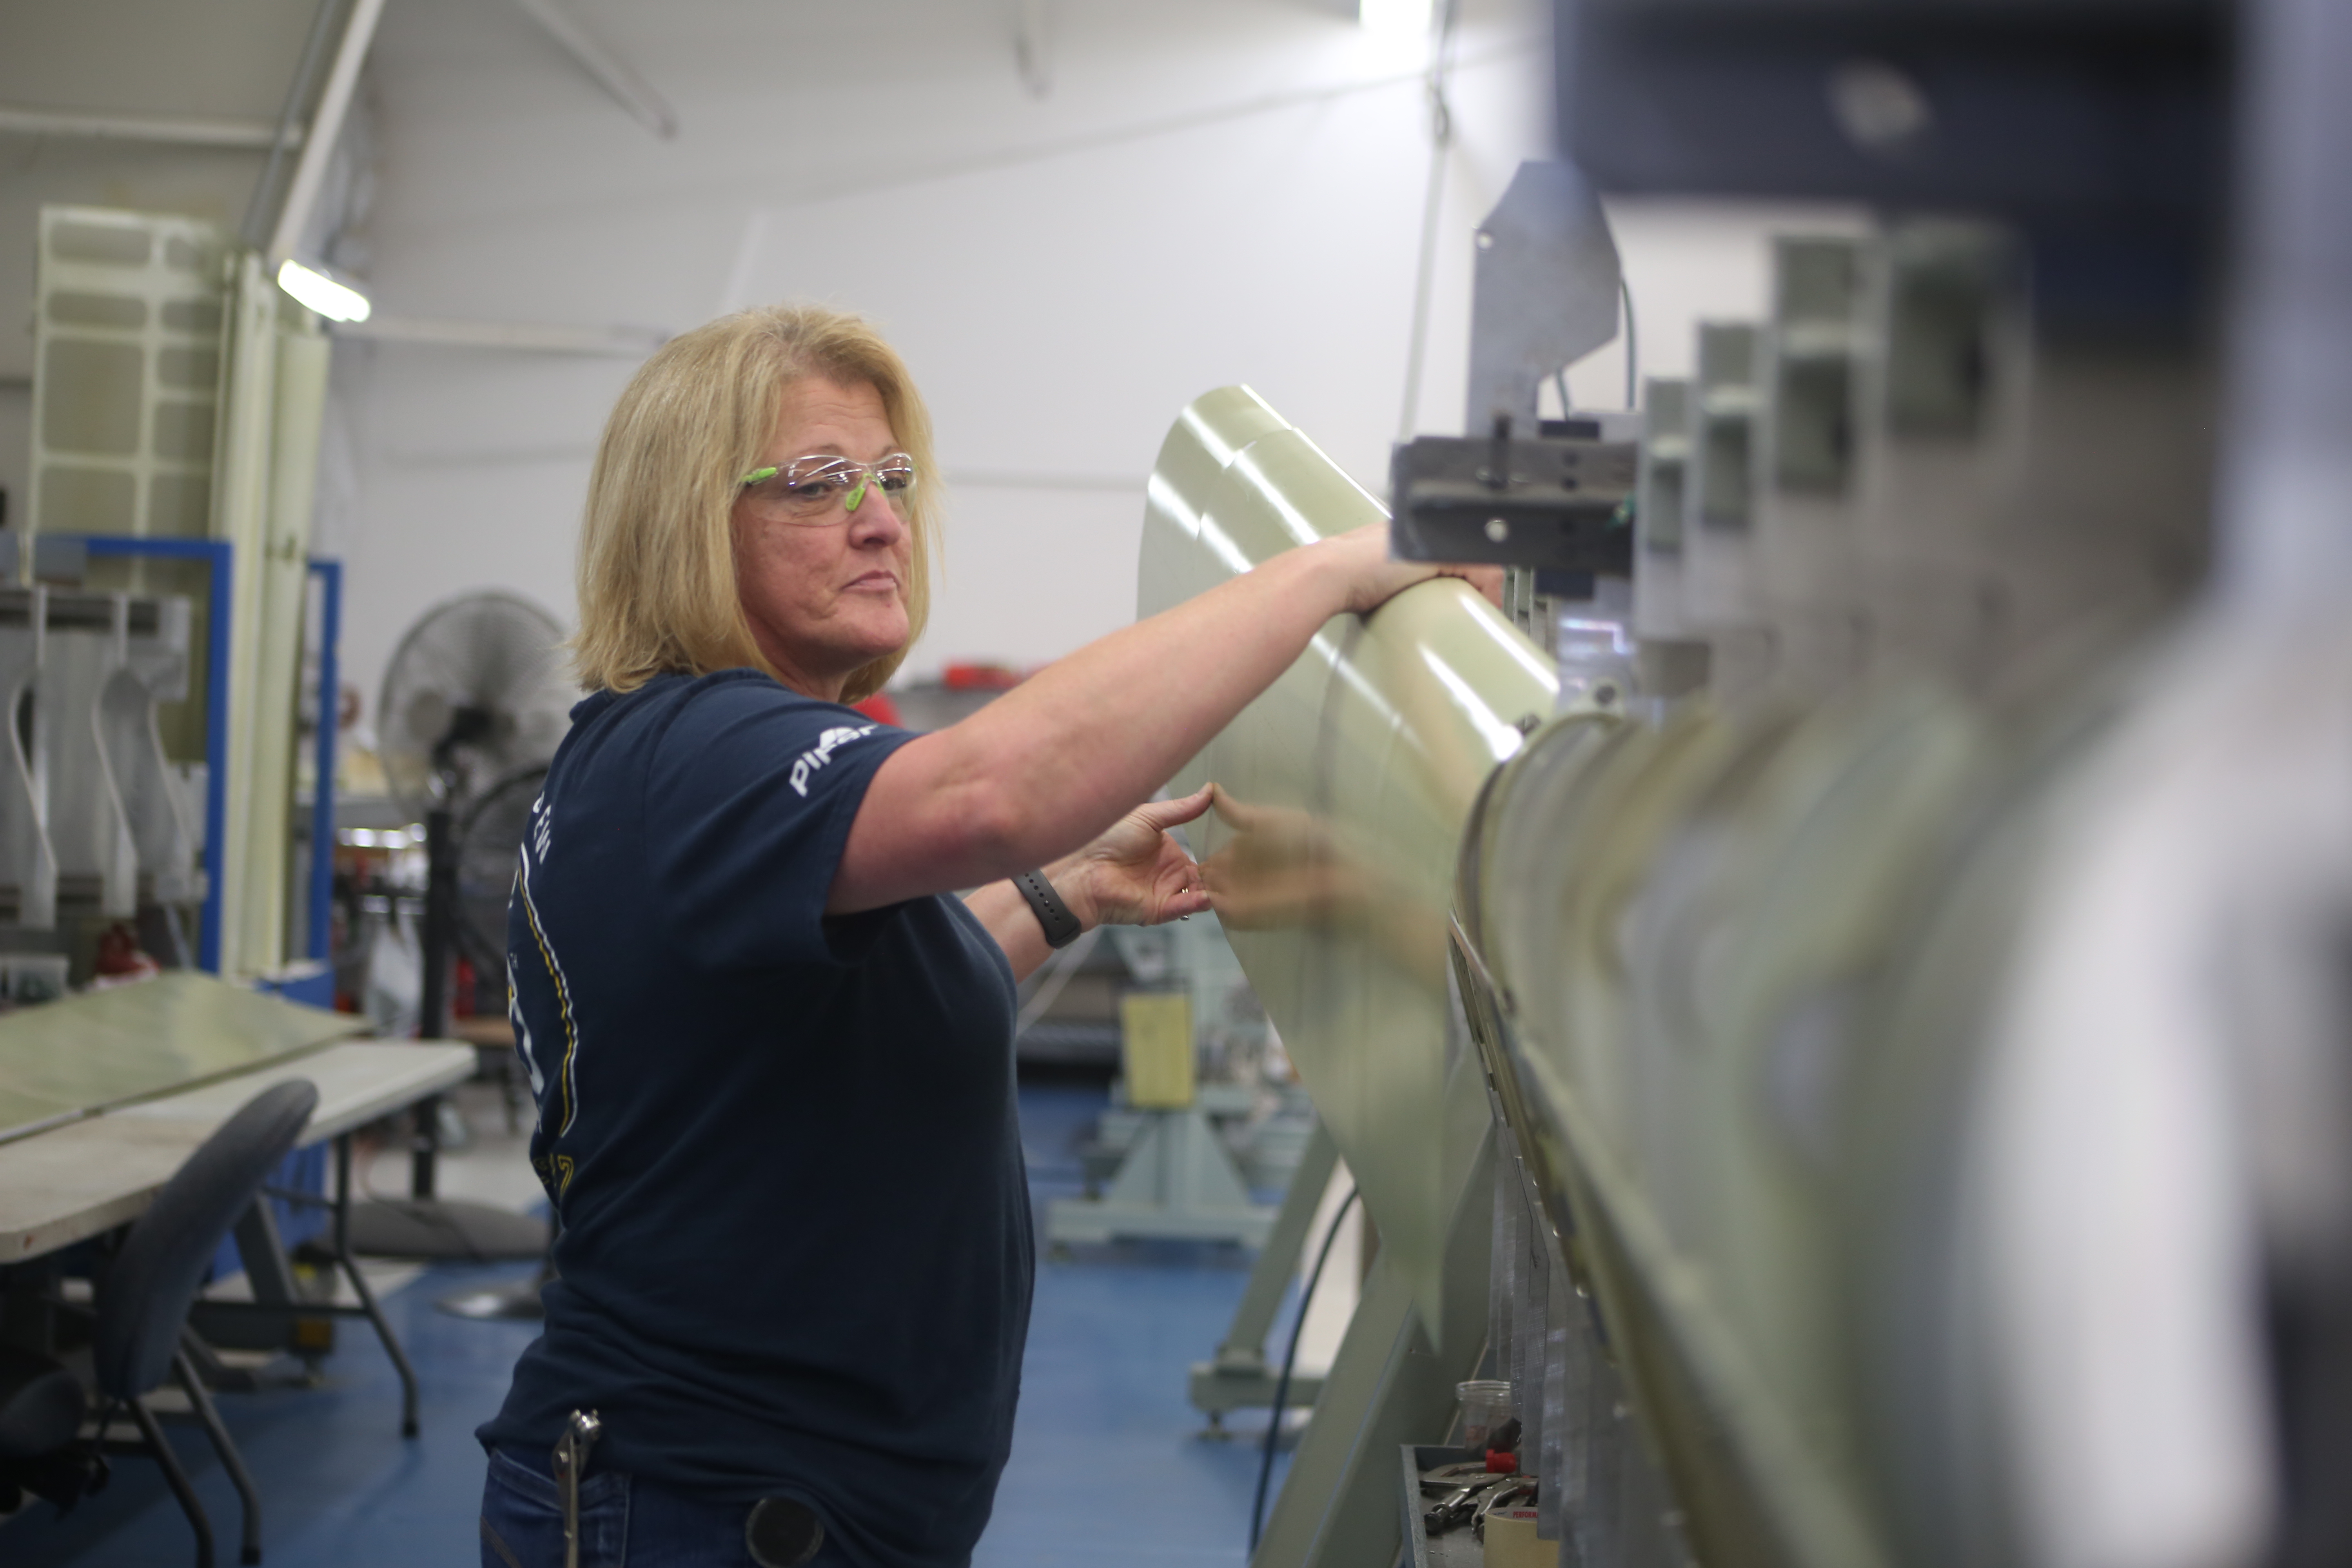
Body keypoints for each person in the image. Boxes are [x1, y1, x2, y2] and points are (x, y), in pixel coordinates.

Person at [476, 303, 1492, 1568]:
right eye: (818, 481)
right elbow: (990, 793)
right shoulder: (699, 753)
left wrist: (1067, 894)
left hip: (775, 1509)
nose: (883, 516)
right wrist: (1334, 570)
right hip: (703, 1509)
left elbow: (850, 1016)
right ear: (686, 518)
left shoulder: (687, 771)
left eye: (894, 478)